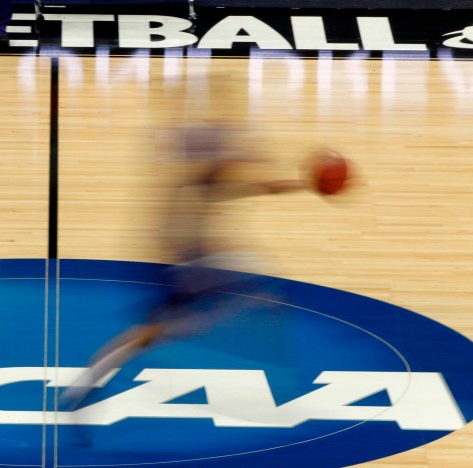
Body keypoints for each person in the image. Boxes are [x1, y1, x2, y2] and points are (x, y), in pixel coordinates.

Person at [59, 122, 314, 429]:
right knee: (255, 292)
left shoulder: (201, 181)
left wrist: (306, 183)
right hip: (192, 267)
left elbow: (262, 186)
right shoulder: (200, 180)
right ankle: (278, 368)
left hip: (196, 264)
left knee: (161, 331)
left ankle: (83, 383)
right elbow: (234, 175)